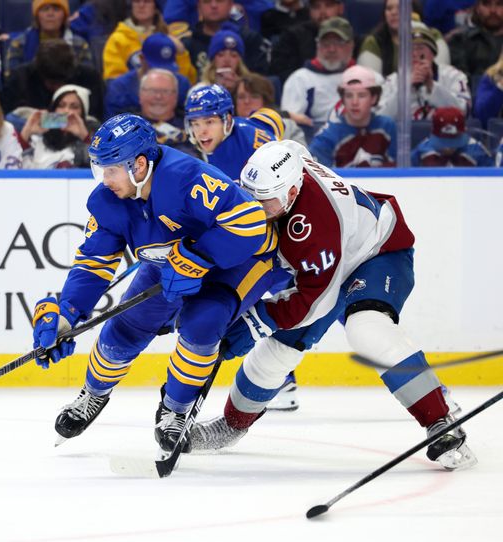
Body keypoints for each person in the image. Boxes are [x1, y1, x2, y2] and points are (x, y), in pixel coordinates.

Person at [186, 140, 478, 472]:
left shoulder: (313, 224)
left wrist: (255, 321)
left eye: (263, 201)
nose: (254, 207)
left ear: (292, 192)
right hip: (332, 257)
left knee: (367, 329)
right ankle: (231, 425)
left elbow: (316, 302)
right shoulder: (281, 175)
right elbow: (294, 147)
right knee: (277, 352)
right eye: (249, 195)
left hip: (376, 252)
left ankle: (440, 420)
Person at [31, 113, 282, 453]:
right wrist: (67, 313)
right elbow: (93, 263)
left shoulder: (188, 177)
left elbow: (251, 223)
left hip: (232, 263)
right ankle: (93, 395)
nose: (104, 180)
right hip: (169, 262)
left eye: (110, 169)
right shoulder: (109, 201)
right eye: (99, 169)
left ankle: (176, 411)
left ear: (138, 165)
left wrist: (200, 256)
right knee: (126, 328)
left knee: (201, 325)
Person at [184, 83, 283, 177]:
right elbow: (271, 118)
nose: (201, 132)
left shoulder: (237, 158)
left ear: (227, 120)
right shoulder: (247, 125)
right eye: (195, 124)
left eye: (209, 122)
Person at [309, 65, 397, 167]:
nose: (354, 102)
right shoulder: (328, 135)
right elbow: (317, 174)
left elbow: (399, 168)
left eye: (361, 95)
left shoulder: (387, 126)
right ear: (343, 99)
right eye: (349, 96)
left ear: (373, 98)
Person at [377, 26, 471, 120]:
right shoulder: (392, 80)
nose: (415, 54)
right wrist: (406, 90)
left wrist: (432, 86)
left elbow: (463, 111)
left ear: (433, 53)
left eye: (420, 48)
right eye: (410, 49)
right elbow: (381, 117)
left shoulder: (453, 75)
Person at [2, 39, 105, 120]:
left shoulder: (90, 77)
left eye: (61, 82)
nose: (57, 89)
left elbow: (96, 119)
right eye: (52, 83)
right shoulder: (19, 78)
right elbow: (8, 119)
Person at [280, 16, 356, 125]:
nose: (331, 49)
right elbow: (289, 125)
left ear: (351, 45)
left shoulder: (369, 78)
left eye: (339, 43)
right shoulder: (300, 79)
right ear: (317, 45)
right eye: (326, 43)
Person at [102, 0, 196, 83]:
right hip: (132, 98)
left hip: (169, 95)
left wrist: (181, 53)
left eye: (147, 1)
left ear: (156, 7)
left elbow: (188, 81)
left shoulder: (170, 39)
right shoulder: (118, 39)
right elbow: (114, 81)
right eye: (136, 1)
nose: (141, 5)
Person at [104, 33, 192, 119]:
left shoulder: (182, 83)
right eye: (155, 67)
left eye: (167, 68)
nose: (160, 72)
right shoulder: (120, 88)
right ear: (141, 59)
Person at [358, 1, 450, 77]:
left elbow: (441, 75)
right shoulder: (374, 41)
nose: (393, 12)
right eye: (389, 9)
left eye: (399, 8)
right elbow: (370, 83)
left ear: (414, 12)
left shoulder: (432, 35)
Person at [4, 0, 92, 79]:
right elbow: (11, 79)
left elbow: (88, 79)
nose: (50, 14)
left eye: (56, 9)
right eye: (45, 9)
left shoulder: (79, 45)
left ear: (64, 16)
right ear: (37, 15)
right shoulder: (20, 44)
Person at [181, 0, 270, 76]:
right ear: (198, 7)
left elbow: (260, 80)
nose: (213, 5)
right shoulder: (187, 44)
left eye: (220, 0)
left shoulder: (249, 39)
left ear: (231, 4)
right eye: (207, 1)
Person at [19, 84, 98, 169]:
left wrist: (85, 137)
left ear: (82, 113)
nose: (66, 111)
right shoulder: (37, 138)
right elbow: (14, 165)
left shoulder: (94, 138)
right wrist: (26, 133)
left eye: (74, 107)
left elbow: (99, 168)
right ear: (53, 109)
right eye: (61, 105)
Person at [269, 0, 345, 83]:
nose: (322, 12)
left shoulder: (351, 37)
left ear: (340, 8)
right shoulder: (292, 37)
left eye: (328, 6)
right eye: (316, 7)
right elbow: (284, 74)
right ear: (309, 10)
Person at [235, 73, 308, 145]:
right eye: (241, 97)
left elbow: (302, 155)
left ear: (266, 101)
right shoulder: (227, 130)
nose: (247, 101)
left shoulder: (288, 127)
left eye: (254, 96)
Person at [138, 68, 196, 155]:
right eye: (152, 91)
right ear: (140, 94)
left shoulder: (193, 125)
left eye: (165, 91)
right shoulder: (126, 128)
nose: (158, 96)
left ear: (176, 95)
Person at [411, 106, 493, 166]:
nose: (448, 148)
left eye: (453, 143)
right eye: (442, 143)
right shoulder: (422, 151)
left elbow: (493, 179)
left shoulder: (477, 152)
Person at [448, 0, 503, 82]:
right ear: (477, 7)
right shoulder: (460, 40)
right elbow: (462, 82)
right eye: (486, 4)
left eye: (499, 4)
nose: (493, 10)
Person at [196, 29, 251, 97]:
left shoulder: (251, 91)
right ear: (213, 60)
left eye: (233, 55)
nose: (227, 60)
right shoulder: (199, 90)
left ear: (240, 61)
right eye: (220, 55)